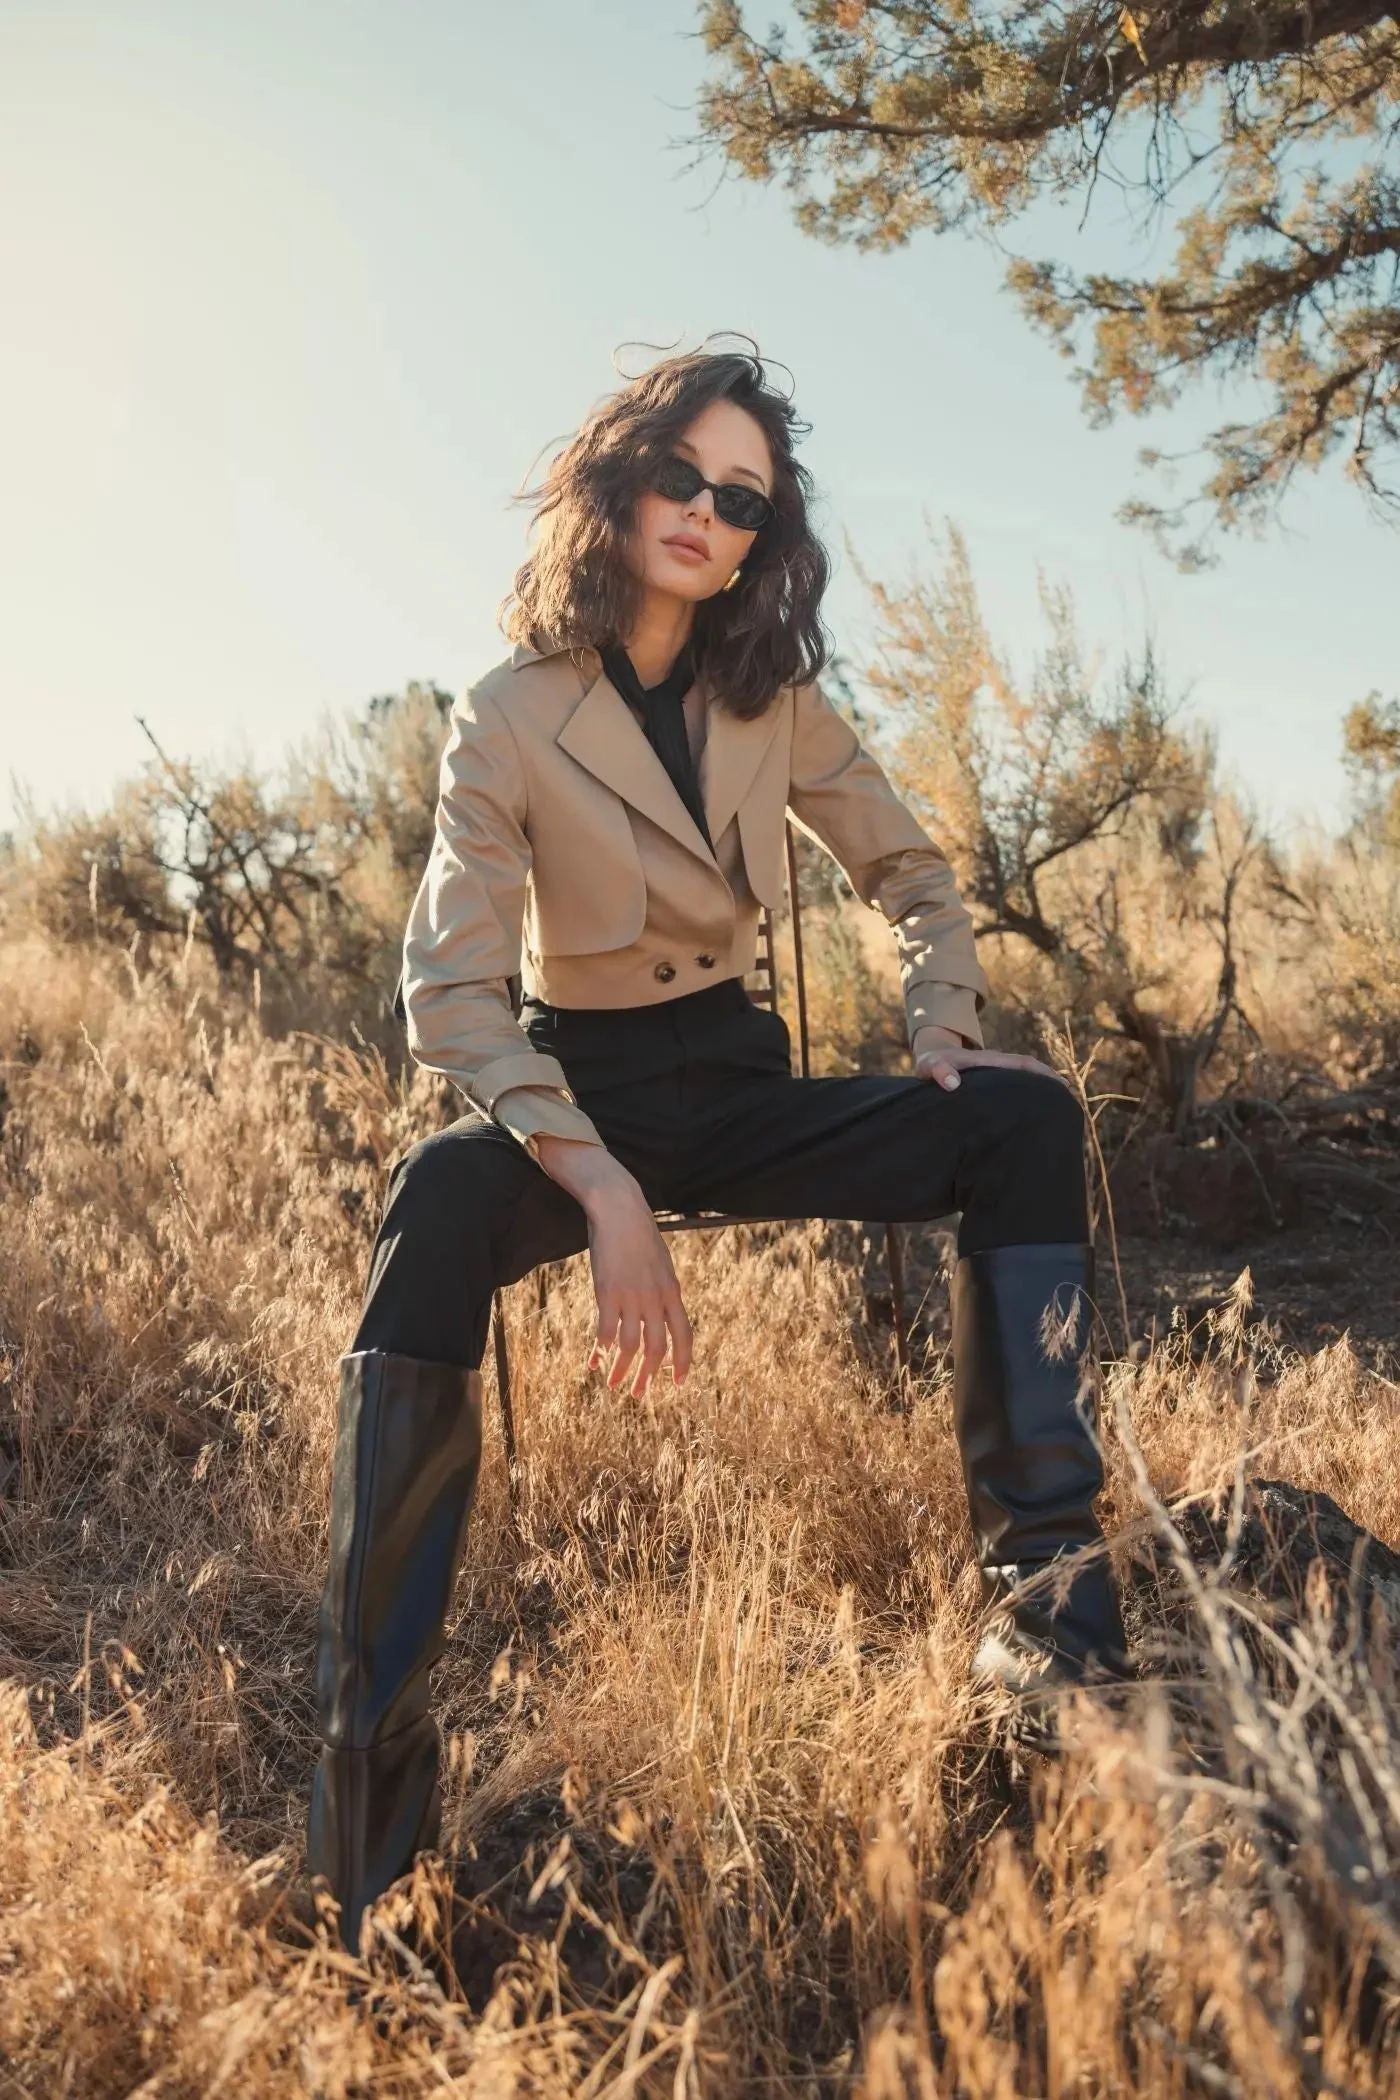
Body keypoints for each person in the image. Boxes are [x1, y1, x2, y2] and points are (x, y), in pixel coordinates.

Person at [307, 342, 1129, 1954]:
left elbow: (914, 877)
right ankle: (368, 1825)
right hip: (583, 1097)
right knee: (434, 1199)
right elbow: (451, 996)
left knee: (1025, 1116)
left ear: (762, 539)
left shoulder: (777, 701)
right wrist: (600, 1181)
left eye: (741, 499)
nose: (704, 512)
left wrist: (944, 1027)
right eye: (680, 475)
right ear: (620, 487)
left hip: (746, 1091)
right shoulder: (510, 712)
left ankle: (1053, 1665)